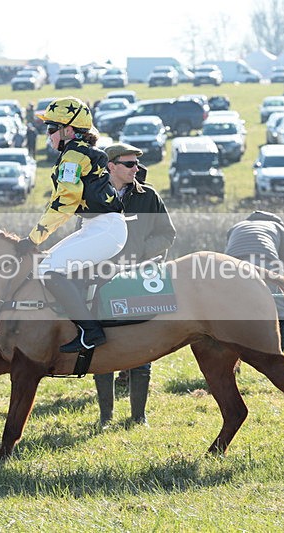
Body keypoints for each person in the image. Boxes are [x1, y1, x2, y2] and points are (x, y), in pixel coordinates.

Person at [14, 96, 126, 353]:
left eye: (52, 129)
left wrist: (33, 239)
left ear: (69, 130)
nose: (49, 135)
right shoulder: (75, 153)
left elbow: (64, 203)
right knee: (48, 267)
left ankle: (91, 331)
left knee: (49, 271)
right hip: (98, 227)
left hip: (105, 228)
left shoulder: (74, 155)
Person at [92, 143, 176, 427]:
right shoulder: (93, 197)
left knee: (142, 346)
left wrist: (139, 253)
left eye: (137, 165)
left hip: (140, 279)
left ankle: (138, 417)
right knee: (101, 344)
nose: (136, 169)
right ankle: (105, 417)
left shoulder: (148, 196)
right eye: (129, 165)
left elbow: (167, 234)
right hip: (101, 279)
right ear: (111, 166)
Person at [224, 211, 284, 351]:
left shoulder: (236, 227)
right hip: (265, 264)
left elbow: (228, 252)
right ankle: (276, 355)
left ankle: (232, 359)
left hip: (231, 267)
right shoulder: (279, 229)